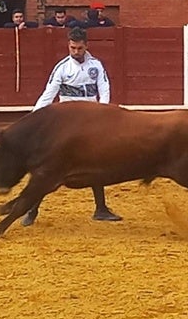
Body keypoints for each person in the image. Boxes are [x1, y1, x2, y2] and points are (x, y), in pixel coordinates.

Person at [23, 27, 119, 226]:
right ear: (68, 45)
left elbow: (105, 89)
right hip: (67, 122)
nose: (76, 52)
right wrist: (34, 119)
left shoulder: (97, 66)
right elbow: (48, 94)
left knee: (96, 163)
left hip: (89, 121)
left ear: (86, 46)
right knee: (51, 166)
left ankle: (101, 209)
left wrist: (103, 113)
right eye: (73, 48)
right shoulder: (62, 68)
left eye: (79, 48)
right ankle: (32, 210)